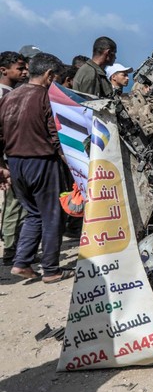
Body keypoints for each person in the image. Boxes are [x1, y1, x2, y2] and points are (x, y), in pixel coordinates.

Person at [0, 53, 71, 283]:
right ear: (49, 75)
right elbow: (55, 134)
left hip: (15, 162)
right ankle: (51, 270)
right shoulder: (45, 97)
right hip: (41, 162)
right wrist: (73, 165)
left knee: (34, 214)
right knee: (52, 215)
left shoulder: (10, 97)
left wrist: (2, 165)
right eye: (56, 78)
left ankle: (22, 263)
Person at [0, 51, 27, 267]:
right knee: (14, 204)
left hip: (12, 156)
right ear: (4, 70)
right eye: (19, 68)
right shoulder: (3, 94)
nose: (24, 71)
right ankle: (10, 249)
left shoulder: (12, 92)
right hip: (9, 157)